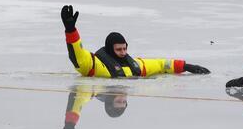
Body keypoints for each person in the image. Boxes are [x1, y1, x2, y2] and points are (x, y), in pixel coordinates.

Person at [61, 5, 210, 78]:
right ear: (109, 49)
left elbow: (161, 65)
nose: (123, 52)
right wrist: (71, 30)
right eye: (119, 50)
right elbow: (77, 54)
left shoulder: (136, 65)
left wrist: (187, 66)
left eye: (124, 48)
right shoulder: (92, 64)